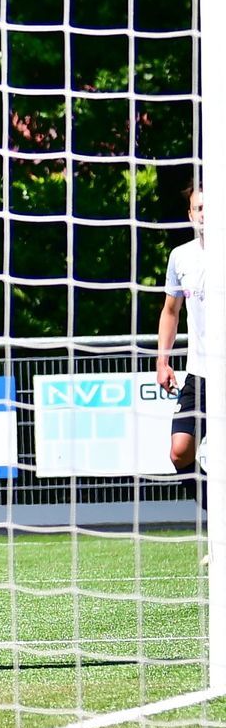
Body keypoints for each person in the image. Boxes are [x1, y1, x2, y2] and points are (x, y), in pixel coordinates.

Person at [156, 185, 208, 537]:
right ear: (190, 215)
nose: (205, 214)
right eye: (198, 208)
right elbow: (171, 310)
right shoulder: (181, 257)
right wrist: (163, 360)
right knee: (180, 451)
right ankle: (218, 516)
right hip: (200, 373)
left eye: (210, 207)